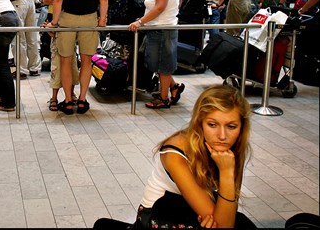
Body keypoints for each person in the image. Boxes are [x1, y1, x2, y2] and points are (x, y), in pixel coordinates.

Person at [95, 85, 256, 229]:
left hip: (197, 207)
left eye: (231, 126)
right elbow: (224, 226)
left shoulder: (234, 149)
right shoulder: (175, 153)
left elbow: (226, 215)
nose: (222, 136)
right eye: (212, 125)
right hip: (161, 213)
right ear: (199, 122)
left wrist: (215, 214)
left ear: (241, 127)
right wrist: (227, 172)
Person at [47, 0, 108, 115]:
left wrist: (54, 22)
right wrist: (102, 19)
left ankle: (67, 101)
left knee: (65, 60)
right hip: (90, 19)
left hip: (67, 19)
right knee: (87, 61)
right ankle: (82, 99)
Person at [128, 0, 185, 109]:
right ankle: (174, 87)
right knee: (161, 63)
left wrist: (140, 22)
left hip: (161, 29)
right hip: (164, 28)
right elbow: (178, 2)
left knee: (162, 65)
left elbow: (159, 7)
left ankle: (163, 98)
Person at [41, 0, 79, 111]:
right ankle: (55, 96)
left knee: (70, 60)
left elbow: (64, 0)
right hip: (53, 20)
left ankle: (70, 94)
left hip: (67, 20)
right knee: (56, 58)